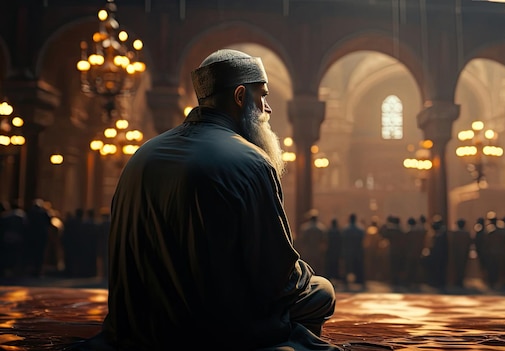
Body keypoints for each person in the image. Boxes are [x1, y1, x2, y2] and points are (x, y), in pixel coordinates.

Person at [74, 49, 341, 351]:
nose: (267, 109)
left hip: (139, 324)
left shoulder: (142, 156)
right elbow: (279, 278)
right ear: (240, 96)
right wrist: (305, 274)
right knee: (322, 291)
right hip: (217, 328)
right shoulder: (251, 161)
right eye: (262, 96)